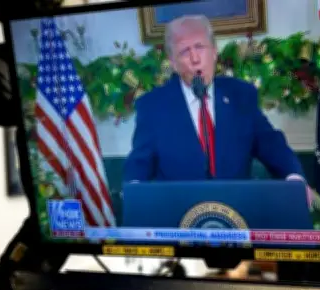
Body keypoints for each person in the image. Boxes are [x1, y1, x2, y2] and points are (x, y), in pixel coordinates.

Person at [122, 15, 307, 188]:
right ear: (173, 63)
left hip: (234, 207)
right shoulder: (153, 106)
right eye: (185, 52)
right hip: (179, 209)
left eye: (200, 47)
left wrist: (293, 177)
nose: (195, 59)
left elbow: (271, 143)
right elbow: (139, 161)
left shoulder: (241, 95)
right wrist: (134, 189)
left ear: (214, 51)